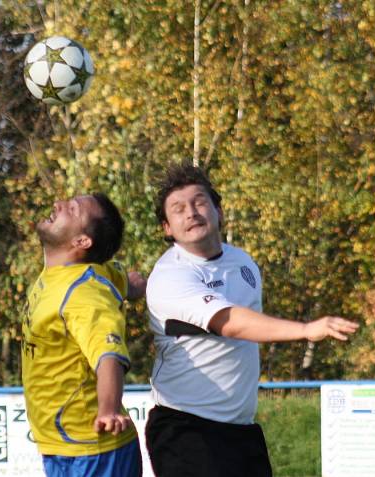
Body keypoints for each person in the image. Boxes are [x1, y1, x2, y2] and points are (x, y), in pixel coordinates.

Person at [145, 163, 359, 477]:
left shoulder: (242, 263)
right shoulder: (171, 275)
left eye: (200, 202)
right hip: (185, 428)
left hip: (241, 430)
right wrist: (305, 330)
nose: (191, 212)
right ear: (167, 227)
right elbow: (231, 322)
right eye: (178, 209)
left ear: (218, 210)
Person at [21, 193, 142, 477]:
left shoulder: (84, 293)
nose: (57, 204)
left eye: (71, 209)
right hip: (62, 446)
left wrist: (108, 410)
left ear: (82, 242)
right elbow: (124, 281)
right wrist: (136, 286)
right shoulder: (72, 274)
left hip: (94, 450)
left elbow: (108, 356)